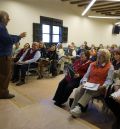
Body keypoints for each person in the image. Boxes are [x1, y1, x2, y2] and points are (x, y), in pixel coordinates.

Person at [70, 49, 114, 117]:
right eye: (98, 55)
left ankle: (79, 108)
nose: (98, 57)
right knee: (79, 90)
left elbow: (109, 80)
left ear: (106, 58)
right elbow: (86, 76)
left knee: (89, 92)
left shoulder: (110, 67)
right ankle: (73, 108)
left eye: (101, 56)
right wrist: (84, 82)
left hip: (99, 87)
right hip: (88, 84)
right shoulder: (92, 64)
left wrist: (103, 86)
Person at [0, 10, 26, 99]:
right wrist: (19, 37)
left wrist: (17, 37)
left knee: (2, 75)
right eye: (7, 17)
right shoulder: (1, 27)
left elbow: (8, 36)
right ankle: (3, 93)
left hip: (2, 56)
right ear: (3, 18)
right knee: (5, 75)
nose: (9, 19)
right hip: (4, 56)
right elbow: (9, 41)